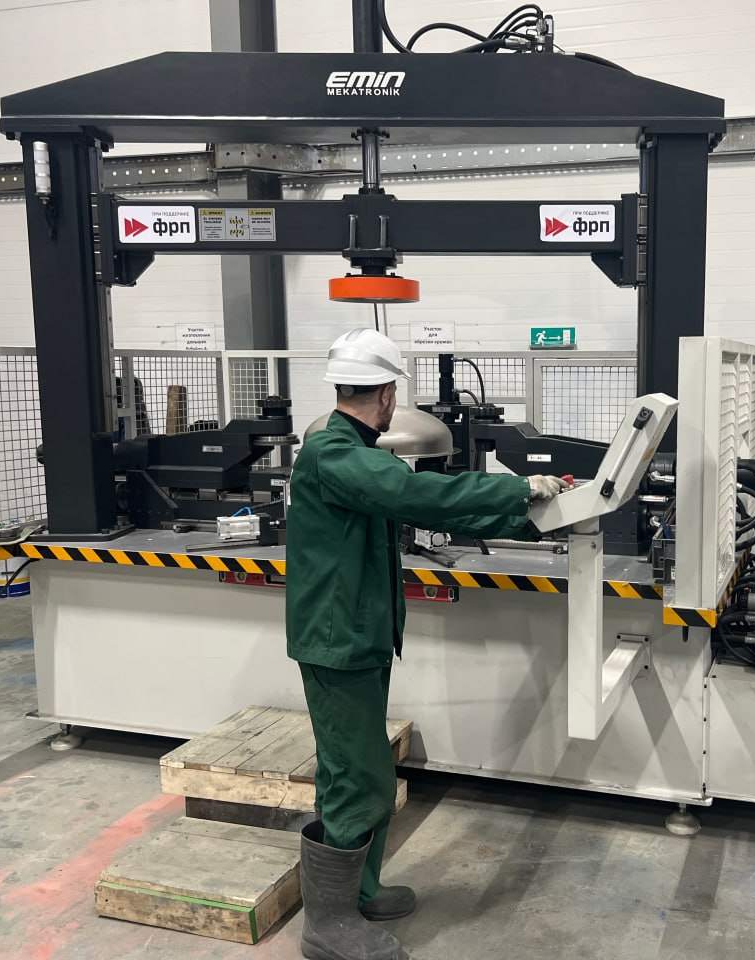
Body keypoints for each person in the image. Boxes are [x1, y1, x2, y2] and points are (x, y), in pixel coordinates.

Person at [286, 328, 569, 960]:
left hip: (357, 635)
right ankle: (327, 925)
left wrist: (536, 516)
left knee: (354, 770)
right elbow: (415, 493)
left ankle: (358, 893)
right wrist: (518, 487)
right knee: (359, 778)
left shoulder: (358, 454)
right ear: (387, 393)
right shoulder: (333, 453)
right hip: (337, 641)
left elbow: (432, 509)